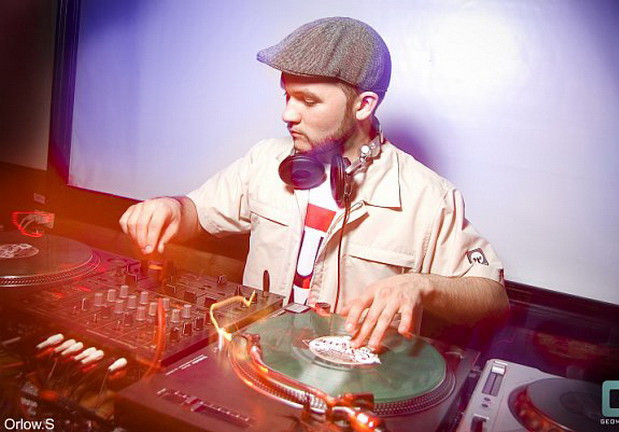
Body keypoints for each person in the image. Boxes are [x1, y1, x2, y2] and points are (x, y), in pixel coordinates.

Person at [119, 17, 509, 351]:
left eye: (308, 101)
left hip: (351, 384)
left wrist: (419, 285)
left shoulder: (428, 196)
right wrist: (170, 207)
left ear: (364, 105)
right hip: (255, 362)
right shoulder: (264, 160)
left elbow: (492, 298)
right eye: (287, 96)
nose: (287, 114)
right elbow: (194, 213)